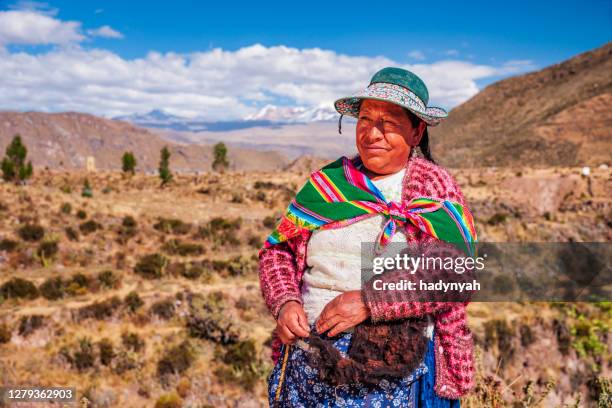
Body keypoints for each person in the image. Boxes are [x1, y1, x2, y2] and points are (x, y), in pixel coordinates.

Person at [258, 67, 476, 407]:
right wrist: (285, 302)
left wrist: (369, 301)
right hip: (309, 363)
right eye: (365, 119)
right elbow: (279, 253)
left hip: (395, 370)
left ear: (417, 132)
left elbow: (455, 273)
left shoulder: (434, 189)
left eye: (388, 122)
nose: (373, 133)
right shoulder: (328, 185)